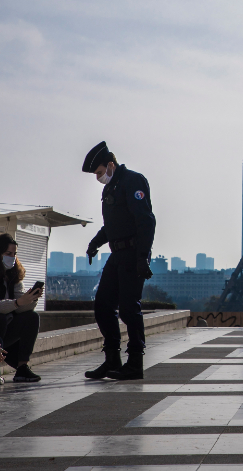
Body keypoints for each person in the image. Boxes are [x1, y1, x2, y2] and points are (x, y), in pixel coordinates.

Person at [82, 141, 156, 381]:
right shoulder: (111, 188)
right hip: (117, 254)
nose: (98, 178)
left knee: (128, 309)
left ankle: (135, 362)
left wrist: (143, 257)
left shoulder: (133, 181)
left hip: (134, 254)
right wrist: (95, 243)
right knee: (103, 306)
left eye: (100, 173)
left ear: (111, 164)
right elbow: (112, 226)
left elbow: (146, 221)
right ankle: (112, 358)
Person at [0, 234, 43, 383]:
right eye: (8, 254)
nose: (12, 257)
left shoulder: (13, 273)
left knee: (32, 317)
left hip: (7, 327)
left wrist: (31, 299)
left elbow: (19, 308)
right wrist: (18, 302)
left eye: (14, 254)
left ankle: (22, 367)